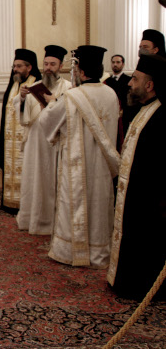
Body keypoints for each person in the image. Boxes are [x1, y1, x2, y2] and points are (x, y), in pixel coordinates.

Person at [39, 45, 120, 268]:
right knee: (99, 204)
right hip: (103, 165)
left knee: (75, 203)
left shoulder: (73, 96)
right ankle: (99, 251)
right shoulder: (111, 94)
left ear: (81, 72)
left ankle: (71, 251)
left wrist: (51, 103)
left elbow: (48, 121)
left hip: (78, 164)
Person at [107, 54, 166, 301]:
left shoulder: (162, 115)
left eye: (136, 79)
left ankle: (143, 286)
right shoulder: (144, 109)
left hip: (149, 198)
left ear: (149, 85)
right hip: (134, 193)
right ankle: (126, 280)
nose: (130, 83)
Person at [13, 45, 71, 235]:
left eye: (52, 64)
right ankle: (31, 218)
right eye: (46, 64)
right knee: (33, 180)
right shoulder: (34, 86)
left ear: (61, 66)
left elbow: (68, 115)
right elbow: (23, 115)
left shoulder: (68, 88)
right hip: (35, 141)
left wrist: (53, 102)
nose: (48, 68)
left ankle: (52, 222)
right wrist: (22, 99)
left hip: (54, 143)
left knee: (51, 182)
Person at [0, 49, 42, 214]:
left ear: (29, 67)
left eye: (19, 66)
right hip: (10, 142)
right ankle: (9, 203)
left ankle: (26, 205)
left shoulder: (37, 84)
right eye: (14, 66)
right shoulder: (13, 84)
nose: (15, 69)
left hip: (27, 139)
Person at [104, 54, 135, 151]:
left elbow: (132, 100)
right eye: (113, 62)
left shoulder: (129, 81)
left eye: (118, 62)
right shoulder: (106, 81)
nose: (115, 64)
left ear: (123, 64)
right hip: (110, 117)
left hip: (124, 117)